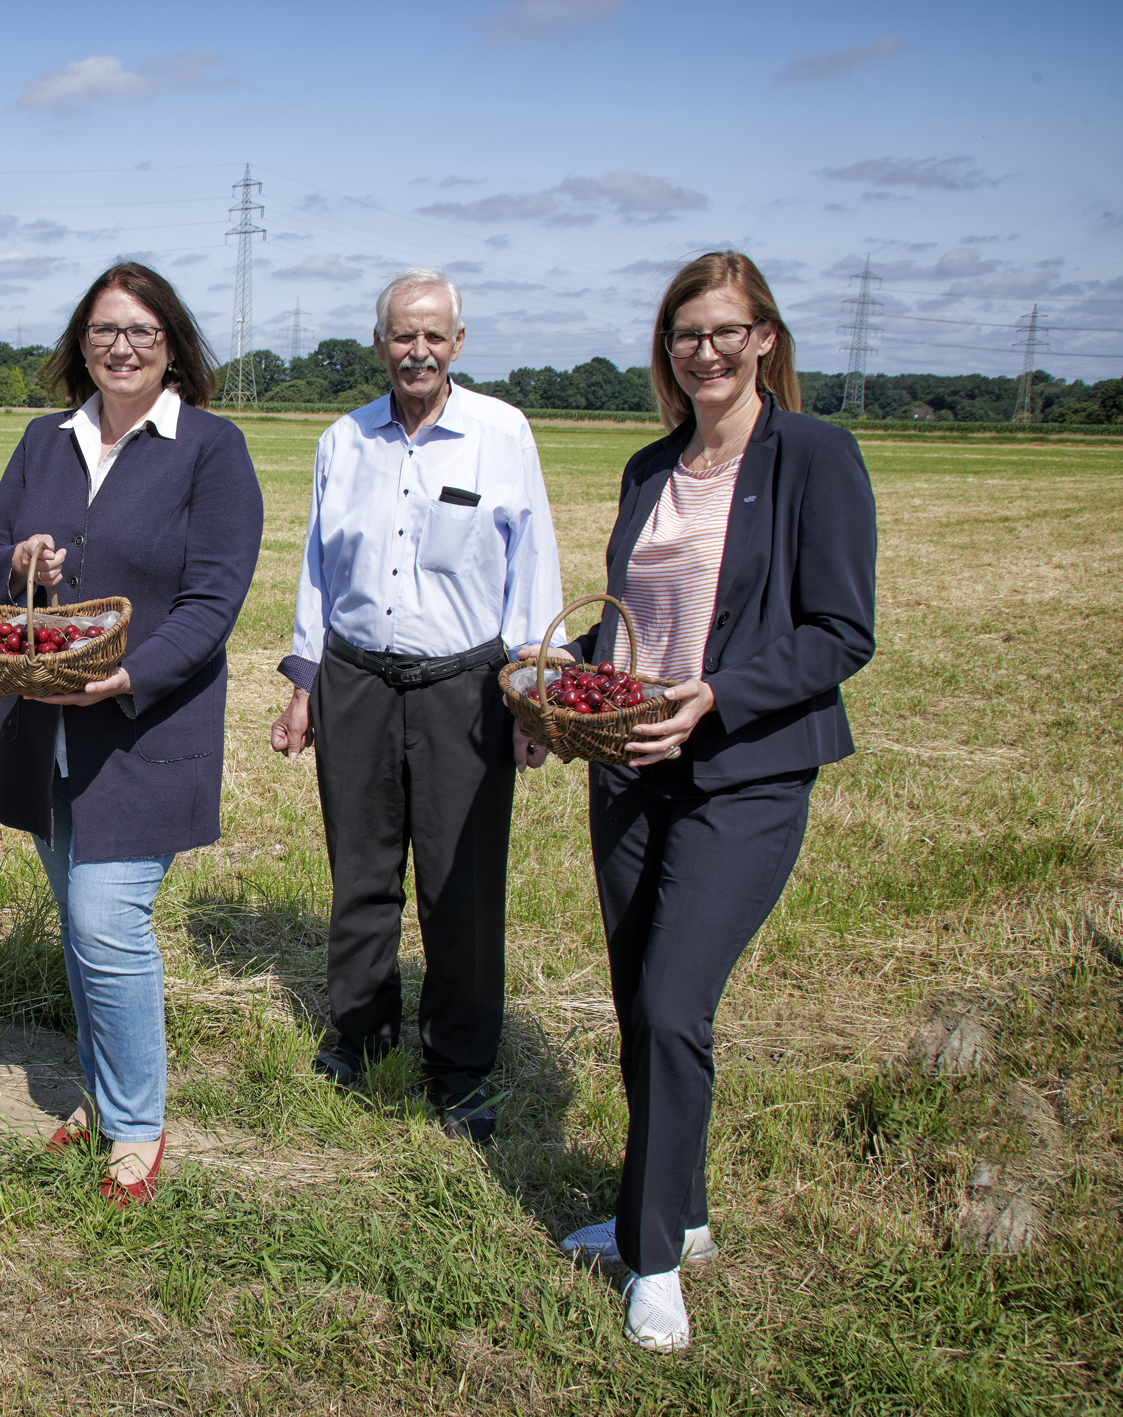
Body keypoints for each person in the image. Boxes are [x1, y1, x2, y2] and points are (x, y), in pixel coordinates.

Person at [538, 252, 876, 1351]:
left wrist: (717, 696)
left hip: (744, 770)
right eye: (686, 334)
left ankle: (650, 1262)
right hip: (628, 765)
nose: (705, 351)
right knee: (641, 1004)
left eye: (726, 331)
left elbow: (839, 631)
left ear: (764, 338)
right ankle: (674, 1212)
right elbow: (628, 616)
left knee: (676, 1004)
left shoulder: (813, 458)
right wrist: (566, 686)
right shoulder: (650, 466)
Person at [0, 263, 263, 1205]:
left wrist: (127, 677)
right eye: (103, 331)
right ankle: (100, 1098)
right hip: (43, 727)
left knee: (108, 922)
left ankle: (137, 1127)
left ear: (171, 343)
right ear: (80, 344)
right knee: (79, 921)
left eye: (140, 331)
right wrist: (16, 557)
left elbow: (214, 600)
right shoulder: (43, 440)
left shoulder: (210, 450)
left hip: (143, 728)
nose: (121, 347)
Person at [268, 269, 564, 1141]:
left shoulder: (502, 435)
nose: (418, 350)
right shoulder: (342, 440)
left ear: (459, 345)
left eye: (434, 335)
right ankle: (359, 1035)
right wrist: (304, 683)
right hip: (356, 678)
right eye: (403, 335)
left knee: (460, 884)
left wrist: (532, 693)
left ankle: (461, 1064)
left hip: (463, 688)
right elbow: (318, 573)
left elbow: (532, 564)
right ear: (380, 344)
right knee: (360, 871)